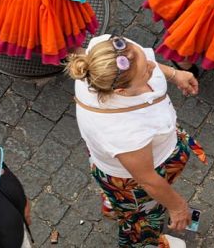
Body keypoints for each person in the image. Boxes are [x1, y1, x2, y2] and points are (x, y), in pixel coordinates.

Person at [66, 34, 203, 248]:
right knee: (142, 221)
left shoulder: (105, 56)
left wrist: (173, 74)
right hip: (132, 181)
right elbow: (147, 179)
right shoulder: (123, 132)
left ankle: (114, 203)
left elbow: (143, 62)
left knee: (125, 202)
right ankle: (143, 242)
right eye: (145, 71)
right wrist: (177, 207)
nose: (151, 64)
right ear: (121, 90)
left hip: (114, 160)